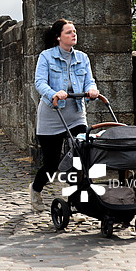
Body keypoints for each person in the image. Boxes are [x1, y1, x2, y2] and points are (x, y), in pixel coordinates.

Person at [30, 19, 99, 212]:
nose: (73, 34)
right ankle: (36, 188)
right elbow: (40, 82)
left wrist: (92, 89)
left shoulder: (83, 58)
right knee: (51, 164)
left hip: (76, 115)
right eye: (69, 32)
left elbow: (89, 80)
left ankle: (77, 202)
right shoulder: (46, 56)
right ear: (58, 37)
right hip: (52, 116)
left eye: (74, 31)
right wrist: (54, 93)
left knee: (81, 158)